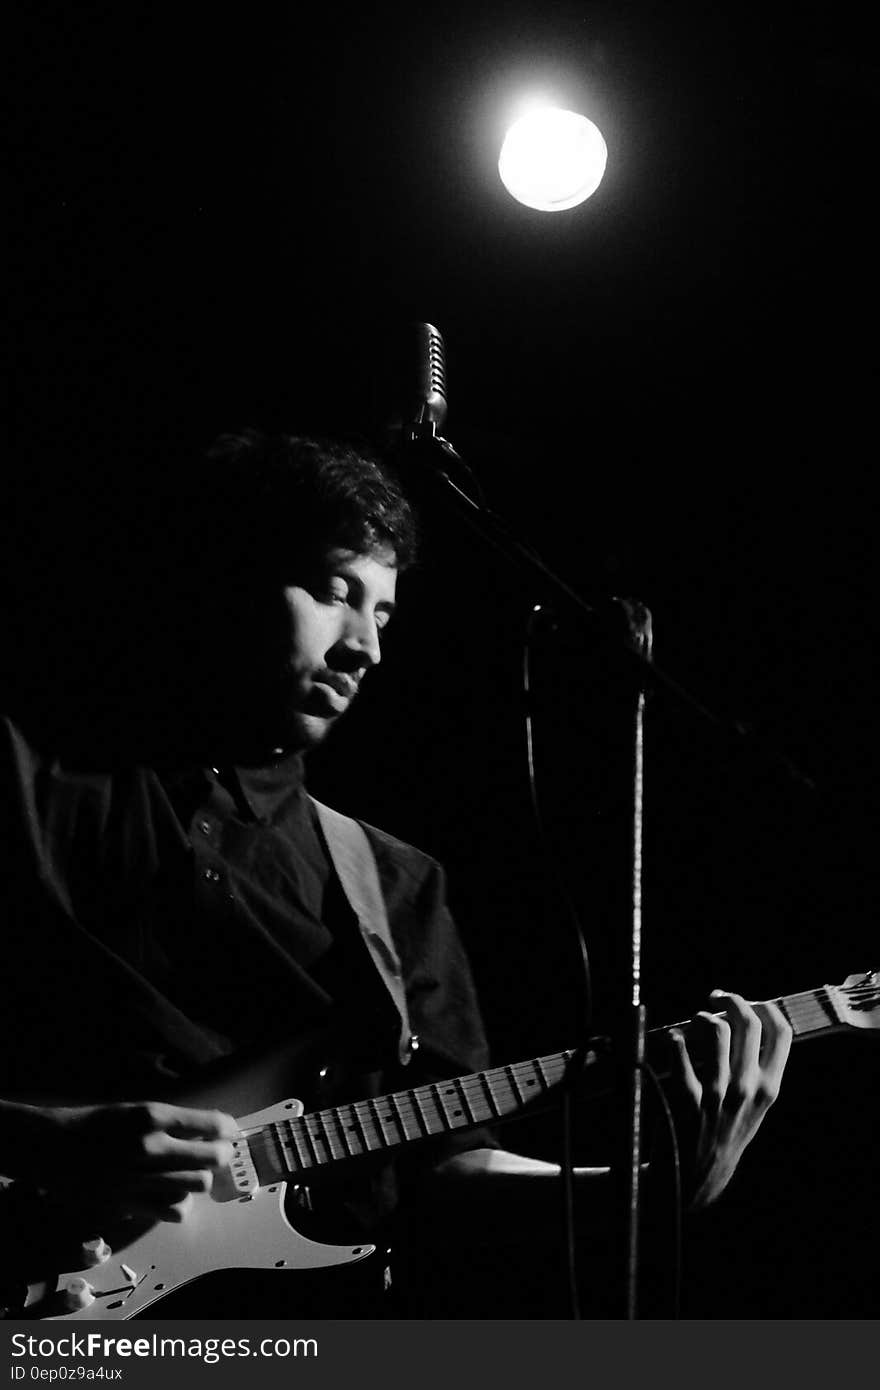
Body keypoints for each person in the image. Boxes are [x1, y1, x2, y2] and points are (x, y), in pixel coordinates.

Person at [0, 429, 792, 1318]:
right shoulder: (33, 784)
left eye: (383, 614)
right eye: (336, 593)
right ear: (224, 575)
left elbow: (445, 1169)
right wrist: (40, 1141)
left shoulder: (394, 884)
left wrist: (649, 1187)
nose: (364, 648)